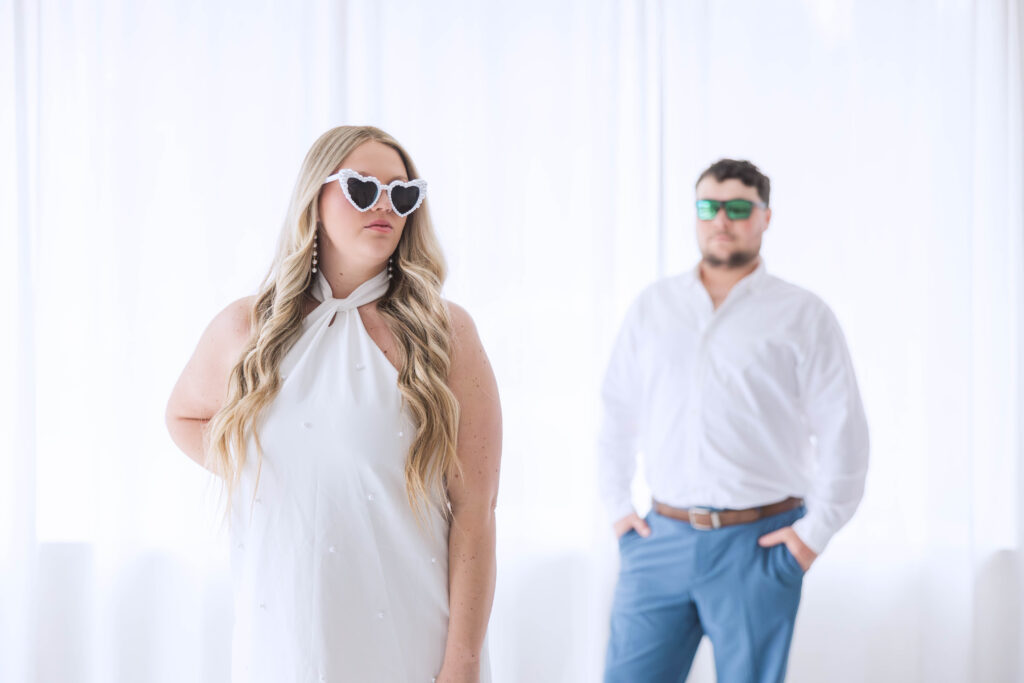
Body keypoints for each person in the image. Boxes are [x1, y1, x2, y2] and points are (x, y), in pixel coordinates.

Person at [165, 126, 501, 683]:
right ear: (314, 198)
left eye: (402, 193)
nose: (385, 206)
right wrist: (268, 469)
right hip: (282, 631)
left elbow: (476, 510)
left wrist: (462, 663)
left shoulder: (446, 333)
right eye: (362, 188)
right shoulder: (246, 327)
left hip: (410, 634)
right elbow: (184, 416)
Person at [599, 159, 869, 682]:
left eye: (738, 207)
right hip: (659, 540)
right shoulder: (654, 306)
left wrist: (811, 537)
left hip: (759, 547)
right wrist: (618, 509)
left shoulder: (803, 314)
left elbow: (845, 434)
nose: (721, 219)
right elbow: (617, 412)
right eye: (708, 207)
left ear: (765, 217)